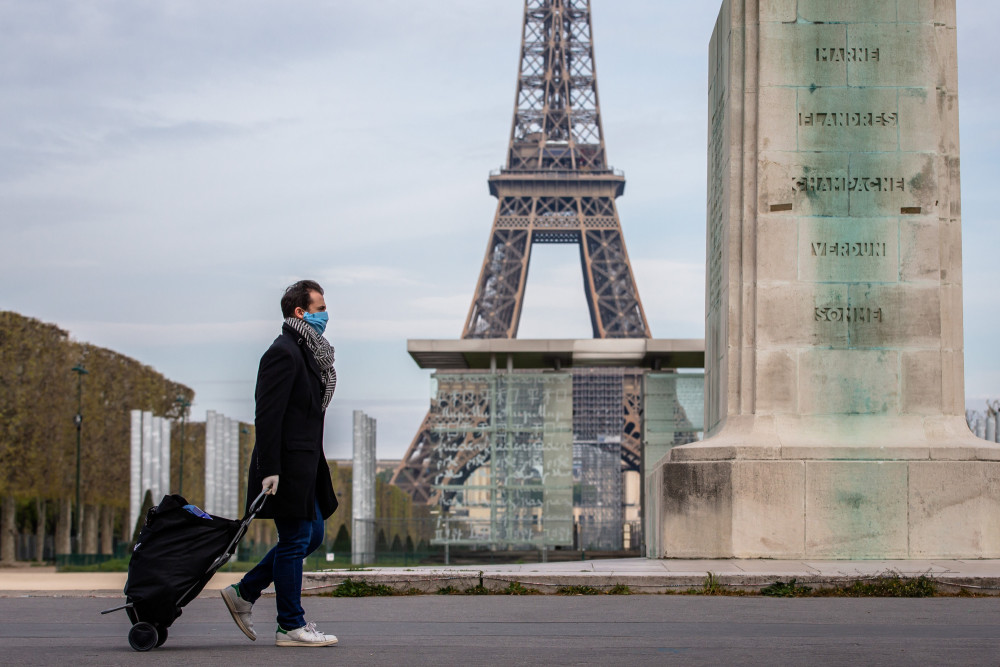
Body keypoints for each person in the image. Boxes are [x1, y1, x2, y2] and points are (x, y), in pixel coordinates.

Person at [221, 279, 340, 647]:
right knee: (293, 540)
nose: (326, 314)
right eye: (320, 308)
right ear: (300, 312)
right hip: (285, 466)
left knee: (313, 534)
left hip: (305, 464)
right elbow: (267, 415)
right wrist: (269, 468)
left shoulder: (309, 352)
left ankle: (245, 591)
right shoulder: (283, 352)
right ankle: (290, 624)